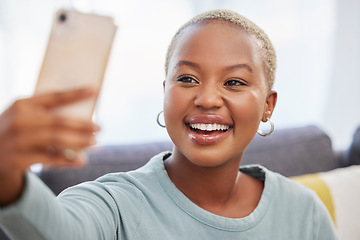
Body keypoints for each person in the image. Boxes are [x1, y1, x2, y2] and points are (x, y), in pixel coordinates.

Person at [0, 9, 337, 239]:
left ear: (268, 105)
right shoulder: (115, 205)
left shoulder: (303, 212)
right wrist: (4, 173)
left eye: (233, 82)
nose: (207, 99)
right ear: (165, 93)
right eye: (187, 78)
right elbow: (54, 230)